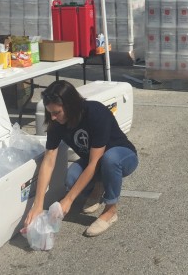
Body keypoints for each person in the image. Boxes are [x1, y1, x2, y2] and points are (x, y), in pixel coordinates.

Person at [23, 80, 138, 237]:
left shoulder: (95, 113)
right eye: (50, 113)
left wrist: (69, 200)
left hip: (122, 156)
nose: (53, 117)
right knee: (71, 178)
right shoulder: (56, 123)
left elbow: (94, 163)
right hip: (94, 160)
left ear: (70, 106)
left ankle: (110, 211)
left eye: (57, 112)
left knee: (109, 160)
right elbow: (49, 160)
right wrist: (38, 204)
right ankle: (99, 186)